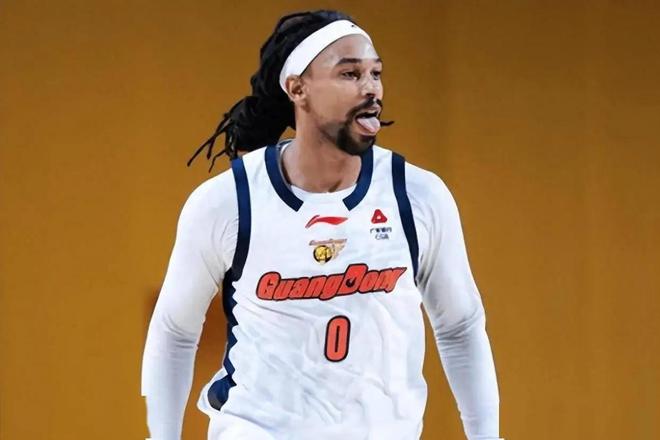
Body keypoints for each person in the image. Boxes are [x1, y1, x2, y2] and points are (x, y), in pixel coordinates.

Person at [141, 9, 503, 440]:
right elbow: (175, 331)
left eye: (376, 73)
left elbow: (460, 327)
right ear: (298, 89)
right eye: (350, 74)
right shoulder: (227, 201)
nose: (371, 88)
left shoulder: (417, 195)